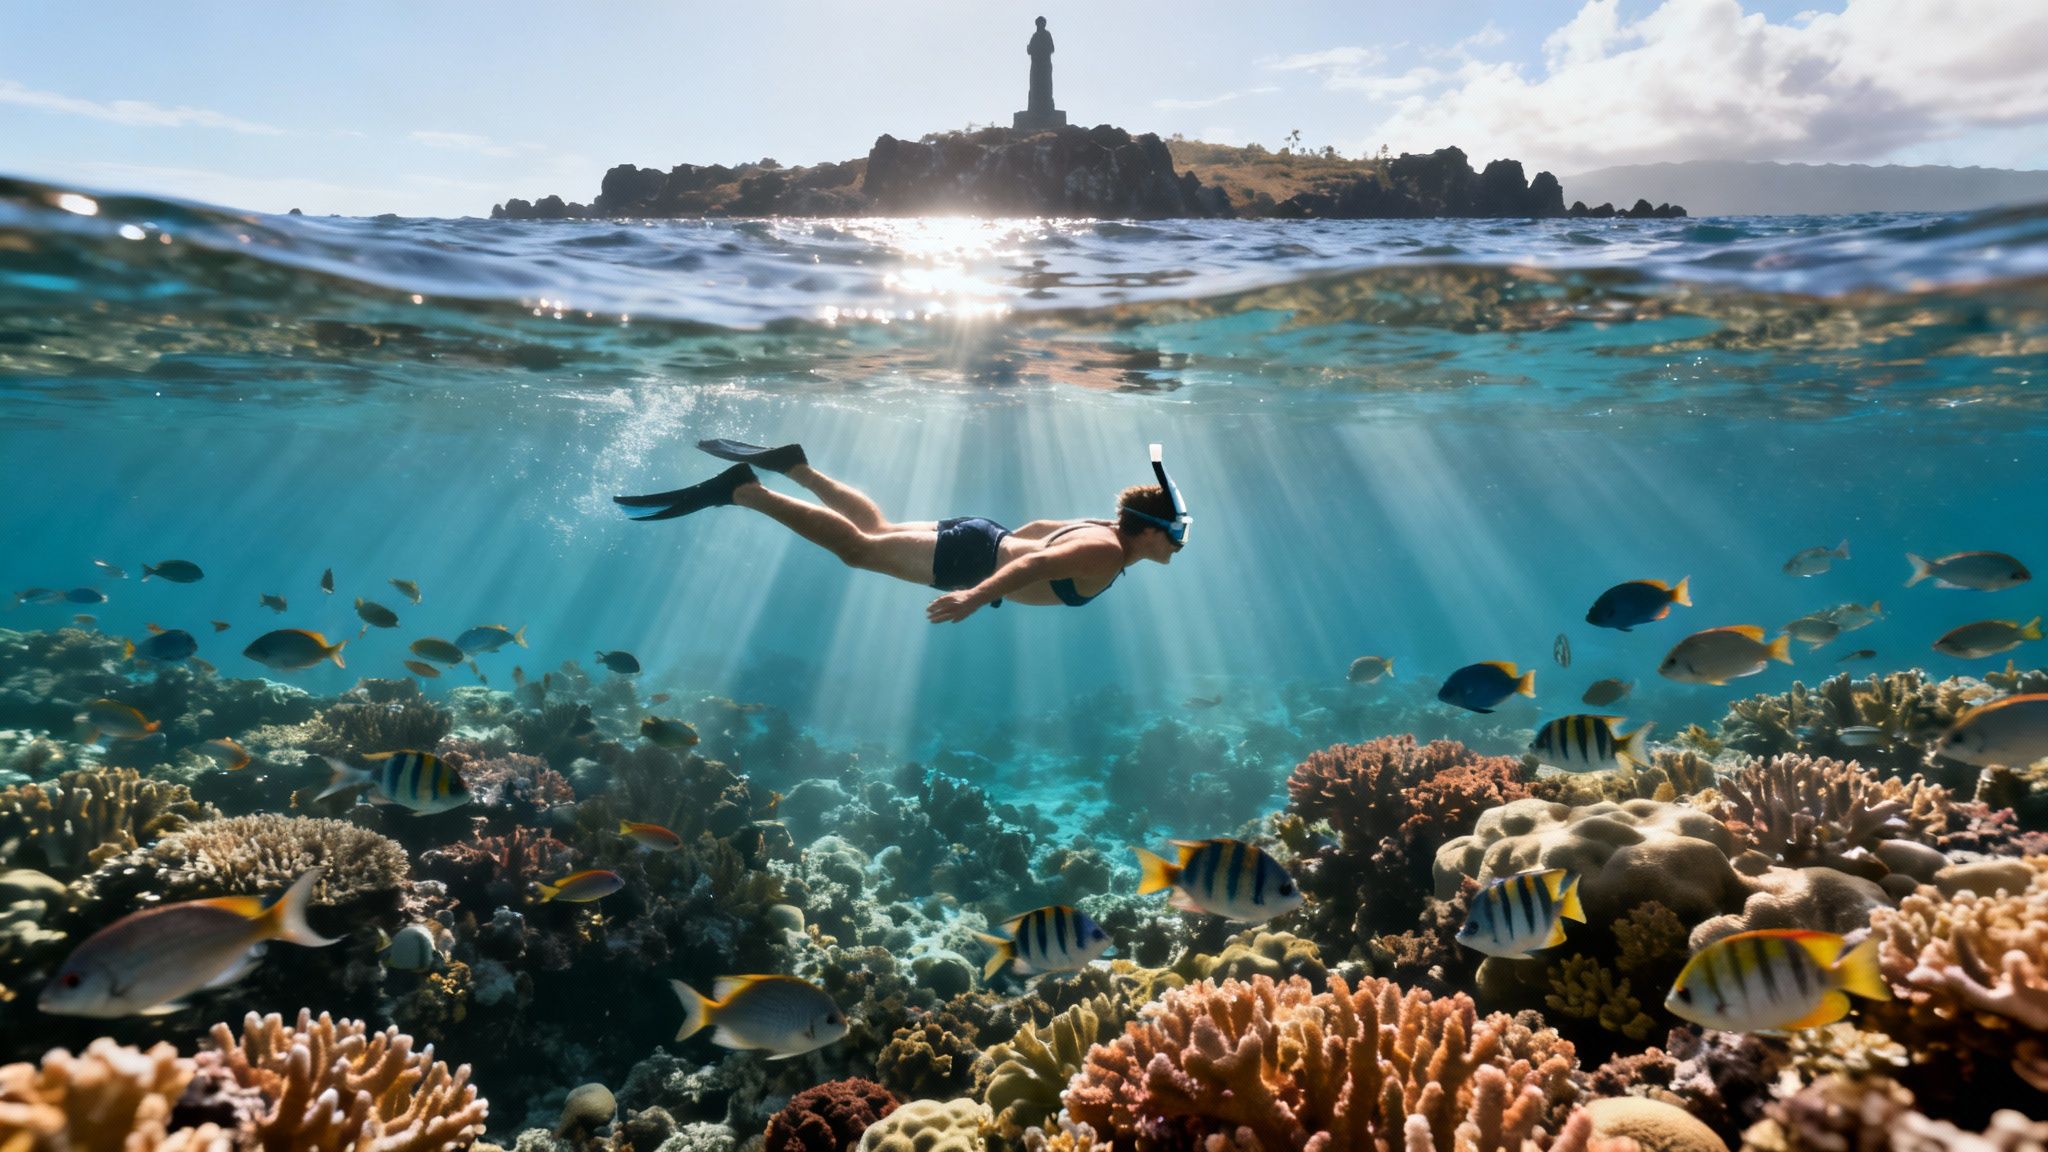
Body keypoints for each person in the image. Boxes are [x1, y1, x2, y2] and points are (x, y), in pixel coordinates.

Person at [615, 440, 1190, 623]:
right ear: (1150, 532)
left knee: (876, 528)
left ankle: (795, 465)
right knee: (858, 550)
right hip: (973, 559)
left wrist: (996, 554)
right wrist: (973, 595)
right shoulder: (1105, 551)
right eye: (1177, 533)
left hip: (979, 535)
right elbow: (1035, 565)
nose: (1179, 544)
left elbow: (1038, 533)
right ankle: (745, 490)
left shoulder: (1098, 526)